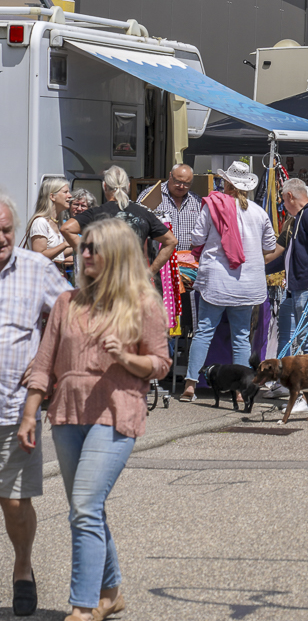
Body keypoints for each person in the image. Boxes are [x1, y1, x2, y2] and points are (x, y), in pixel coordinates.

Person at [20, 217, 171, 621]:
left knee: (84, 507)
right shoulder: (68, 303)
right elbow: (43, 362)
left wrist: (125, 357)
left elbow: (160, 364)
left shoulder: (143, 302)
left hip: (116, 413)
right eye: (83, 246)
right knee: (89, 507)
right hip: (67, 416)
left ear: (117, 255)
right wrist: (30, 414)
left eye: (93, 248)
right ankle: (111, 592)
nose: (84, 254)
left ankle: (82, 607)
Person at [0, 193, 70, 617]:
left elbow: (70, 320)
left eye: (6, 230)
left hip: (12, 410)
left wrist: (52, 367)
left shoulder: (35, 268)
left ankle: (22, 567)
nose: (1, 238)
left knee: (12, 500)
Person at [180, 162, 280, 401]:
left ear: (227, 183)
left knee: (204, 332)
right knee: (241, 336)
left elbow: (196, 239)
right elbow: (269, 247)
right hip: (247, 283)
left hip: (217, 281)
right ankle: (240, 391)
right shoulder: (259, 212)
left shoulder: (212, 208)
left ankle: (190, 385)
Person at [267, 178, 308, 367]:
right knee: (297, 335)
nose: (284, 206)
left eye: (283, 200)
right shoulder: (301, 218)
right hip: (298, 287)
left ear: (290, 196)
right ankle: (291, 382)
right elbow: (289, 257)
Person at [62, 166, 177, 275]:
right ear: (128, 186)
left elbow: (66, 228)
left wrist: (89, 256)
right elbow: (171, 241)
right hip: (134, 280)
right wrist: (150, 272)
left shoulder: (96, 213)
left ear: (104, 186)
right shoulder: (143, 213)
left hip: (104, 278)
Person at [136, 164, 203, 252]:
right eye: (178, 181)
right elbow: (136, 224)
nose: (182, 186)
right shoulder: (151, 195)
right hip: (159, 260)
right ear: (170, 176)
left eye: (186, 183)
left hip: (188, 261)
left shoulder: (197, 201)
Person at [23, 177, 73, 273]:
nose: (70, 196)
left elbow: (58, 254)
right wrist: (65, 244)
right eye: (65, 192)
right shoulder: (40, 222)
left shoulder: (58, 222)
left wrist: (76, 246)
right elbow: (40, 256)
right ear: (52, 197)